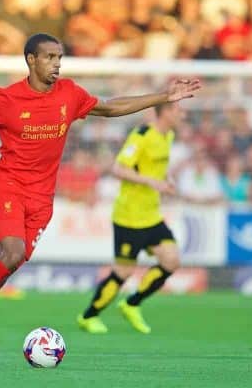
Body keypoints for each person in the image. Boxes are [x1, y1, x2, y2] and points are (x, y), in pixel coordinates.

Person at [0, 33, 201, 366]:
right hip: (8, 188)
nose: (57, 64)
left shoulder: (70, 94)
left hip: (42, 201)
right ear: (31, 60)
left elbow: (110, 107)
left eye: (59, 58)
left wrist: (164, 96)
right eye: (49, 57)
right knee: (11, 251)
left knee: (5, 266)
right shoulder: (6, 99)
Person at [77, 102, 183, 334]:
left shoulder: (169, 136)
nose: (182, 114)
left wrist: (164, 181)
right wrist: (152, 182)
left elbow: (153, 168)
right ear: (164, 112)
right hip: (129, 216)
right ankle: (88, 316)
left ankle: (132, 303)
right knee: (123, 272)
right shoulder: (142, 134)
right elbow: (119, 169)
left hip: (152, 214)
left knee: (171, 260)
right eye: (177, 110)